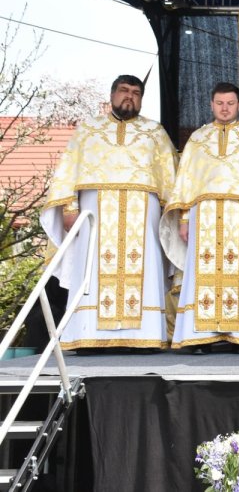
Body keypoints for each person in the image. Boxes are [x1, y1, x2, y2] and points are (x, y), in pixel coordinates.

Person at [40, 75, 177, 352]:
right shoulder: (88, 130)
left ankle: (143, 337)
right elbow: (68, 171)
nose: (129, 96)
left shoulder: (155, 132)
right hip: (95, 213)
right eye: (124, 91)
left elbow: (171, 179)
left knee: (145, 265)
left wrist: (174, 218)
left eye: (136, 93)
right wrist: (69, 208)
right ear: (112, 95)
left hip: (143, 214)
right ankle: (88, 336)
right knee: (91, 266)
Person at [161, 82, 239, 353]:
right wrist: (184, 219)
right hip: (204, 216)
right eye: (220, 103)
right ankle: (202, 336)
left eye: (230, 103)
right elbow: (186, 182)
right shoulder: (198, 139)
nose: (225, 109)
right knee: (202, 273)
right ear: (212, 104)